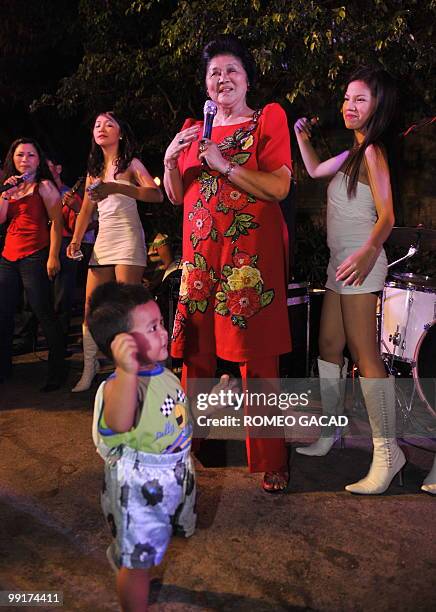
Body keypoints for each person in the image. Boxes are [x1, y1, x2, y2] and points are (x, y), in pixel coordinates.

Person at [163, 35, 292, 492]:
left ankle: (272, 458)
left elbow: (278, 188)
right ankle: (193, 447)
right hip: (200, 260)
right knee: (194, 356)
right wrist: (168, 161)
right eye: (214, 73)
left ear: (248, 79)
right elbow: (177, 196)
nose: (222, 79)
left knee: (255, 356)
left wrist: (222, 164)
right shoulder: (192, 128)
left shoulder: (266, 119)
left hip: (247, 262)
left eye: (231, 70)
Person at [294, 67, 405, 494]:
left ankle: (387, 452)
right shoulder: (352, 153)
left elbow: (388, 215)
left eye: (360, 99)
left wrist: (367, 252)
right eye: (346, 98)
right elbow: (316, 169)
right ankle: (330, 432)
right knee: (327, 346)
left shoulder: (374, 152)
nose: (349, 106)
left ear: (377, 107)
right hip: (339, 266)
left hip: (361, 263)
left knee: (365, 356)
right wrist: (302, 137)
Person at [88, 281, 196, 612]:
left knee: (151, 546)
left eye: (161, 322)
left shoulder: (163, 374)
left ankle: (128, 554)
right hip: (139, 488)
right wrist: (126, 371)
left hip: (171, 477)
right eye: (152, 328)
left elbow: (176, 419)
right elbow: (120, 421)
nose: (163, 333)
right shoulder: (120, 387)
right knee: (138, 567)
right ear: (121, 346)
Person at [67, 111, 163, 392]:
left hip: (128, 237)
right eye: (97, 124)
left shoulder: (131, 164)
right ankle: (90, 366)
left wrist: (117, 187)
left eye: (109, 124)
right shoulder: (93, 170)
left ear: (120, 133)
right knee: (91, 308)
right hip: (103, 240)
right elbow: (86, 208)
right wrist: (75, 239)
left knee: (126, 307)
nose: (101, 128)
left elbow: (156, 195)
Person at [0, 138, 65, 391]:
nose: (24, 160)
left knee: (43, 312)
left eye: (30, 155)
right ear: (12, 159)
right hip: (8, 257)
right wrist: (5, 194)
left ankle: (56, 372)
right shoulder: (11, 188)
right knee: (4, 315)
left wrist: (53, 256)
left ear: (39, 160)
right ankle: (4, 369)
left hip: (35, 255)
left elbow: (57, 223)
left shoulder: (45, 186)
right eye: (19, 155)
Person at [47, 155, 95, 346]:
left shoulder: (71, 193)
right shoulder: (42, 191)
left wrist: (75, 207)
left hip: (74, 245)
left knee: (65, 293)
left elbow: (90, 223)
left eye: (48, 166)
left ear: (58, 169)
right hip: (51, 246)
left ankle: (62, 337)